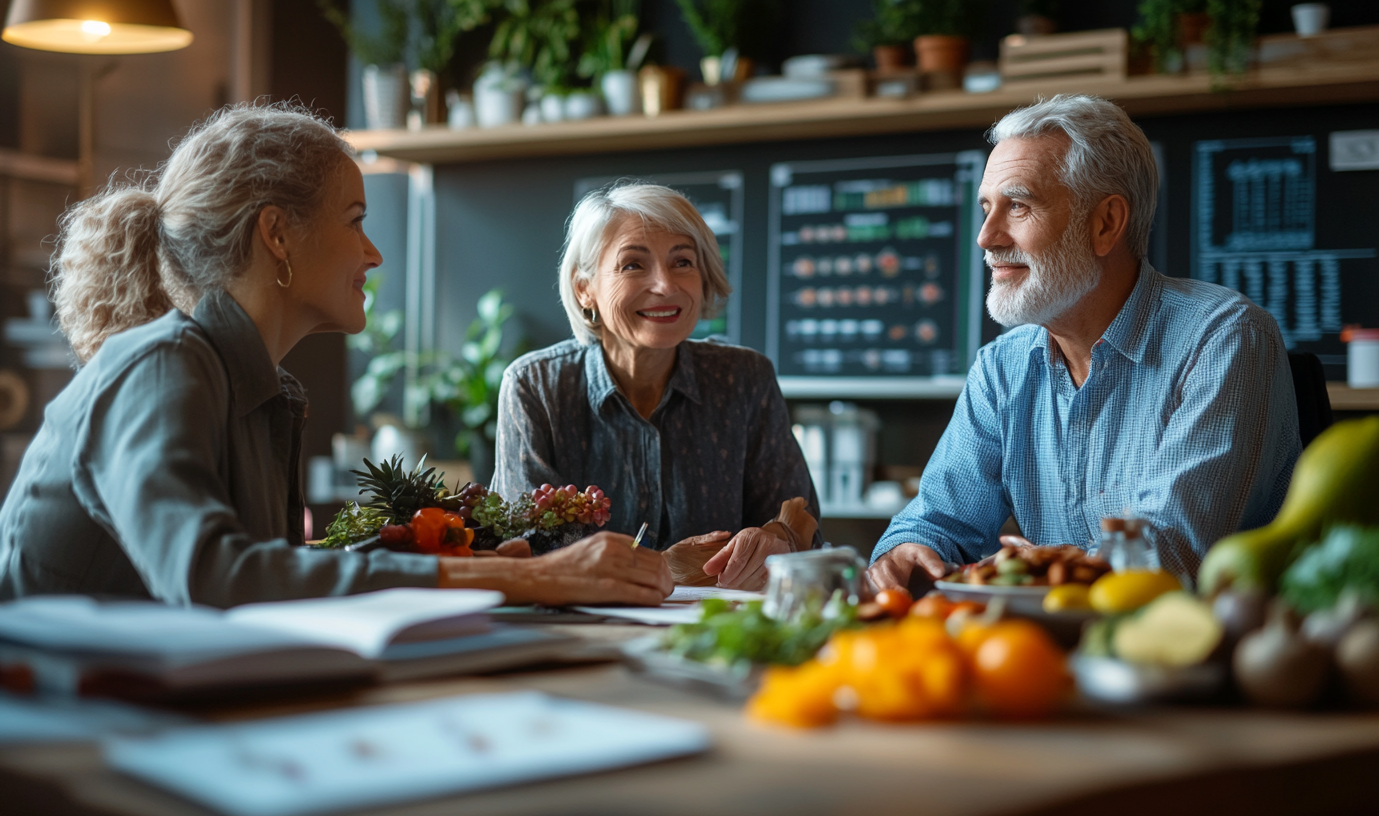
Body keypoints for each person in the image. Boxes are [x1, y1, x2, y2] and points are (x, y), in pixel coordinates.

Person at [0, 104, 671, 608]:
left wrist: (453, 558)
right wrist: (522, 577)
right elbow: (214, 575)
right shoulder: (161, 364)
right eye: (355, 220)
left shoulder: (265, 391)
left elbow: (271, 574)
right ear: (277, 234)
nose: (374, 253)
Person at [868, 94, 1303, 593]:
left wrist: (1041, 570)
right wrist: (907, 550)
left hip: (1198, 654)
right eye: (987, 208)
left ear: (1105, 224)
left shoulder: (1225, 338)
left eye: (1019, 205)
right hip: (1044, 650)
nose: (986, 237)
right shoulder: (1001, 368)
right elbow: (934, 521)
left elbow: (1173, 556)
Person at [493, 182, 820, 591]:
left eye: (683, 262)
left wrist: (777, 542)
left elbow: (806, 531)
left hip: (721, 633)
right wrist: (661, 567)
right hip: (579, 631)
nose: (665, 285)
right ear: (585, 289)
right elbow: (523, 553)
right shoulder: (535, 386)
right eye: (633, 265)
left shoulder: (744, 379)